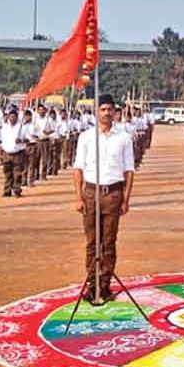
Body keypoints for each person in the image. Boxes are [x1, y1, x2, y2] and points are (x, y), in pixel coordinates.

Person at [73, 94, 136, 305]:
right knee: (92, 242)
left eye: (110, 109)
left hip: (113, 194)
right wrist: (78, 197)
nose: (106, 113)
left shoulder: (124, 137)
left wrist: (126, 199)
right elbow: (78, 169)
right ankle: (92, 285)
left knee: (109, 242)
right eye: (103, 109)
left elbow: (129, 171)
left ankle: (105, 284)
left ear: (115, 112)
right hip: (91, 192)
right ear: (97, 111)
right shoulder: (86, 137)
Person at [0, 108, 28, 198]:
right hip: (6, 153)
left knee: (17, 174)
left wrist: (21, 140)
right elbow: (1, 141)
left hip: (18, 153)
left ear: (17, 118)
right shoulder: (4, 128)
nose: (12, 119)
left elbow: (28, 140)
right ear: (8, 117)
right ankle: (7, 190)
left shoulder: (21, 128)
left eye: (14, 117)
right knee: (7, 173)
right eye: (10, 117)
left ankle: (17, 190)